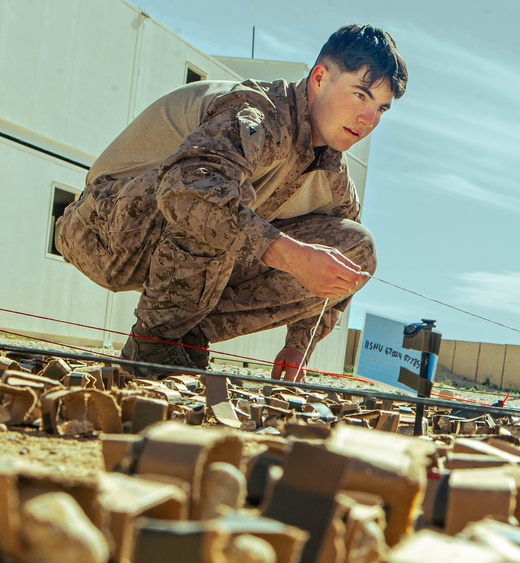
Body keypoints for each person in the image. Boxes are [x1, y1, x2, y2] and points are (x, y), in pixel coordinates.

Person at [56, 24, 406, 382]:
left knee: (357, 246)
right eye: (361, 95)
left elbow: (343, 264)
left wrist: (300, 345)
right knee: (211, 196)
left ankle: (187, 336)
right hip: (102, 229)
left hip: (181, 246)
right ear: (319, 77)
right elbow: (189, 189)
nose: (369, 120)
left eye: (381, 109)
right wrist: (289, 254)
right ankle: (154, 343)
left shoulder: (333, 172)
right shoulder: (259, 113)